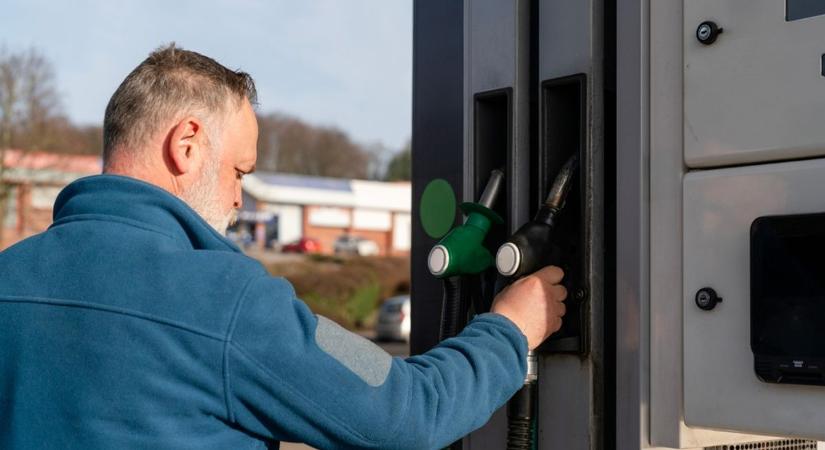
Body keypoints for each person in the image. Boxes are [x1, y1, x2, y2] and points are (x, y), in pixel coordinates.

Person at [0, 44, 567, 449]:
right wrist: (509, 330)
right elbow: (408, 411)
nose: (240, 199)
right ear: (187, 144)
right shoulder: (228, 300)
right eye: (240, 171)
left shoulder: (10, 278)